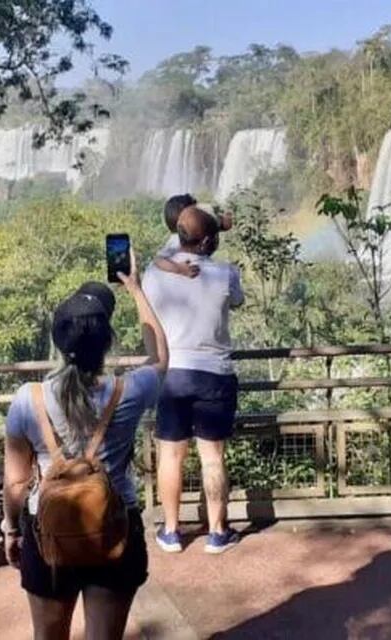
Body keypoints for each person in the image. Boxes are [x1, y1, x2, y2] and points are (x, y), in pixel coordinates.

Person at [1, 265, 169, 640]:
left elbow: (15, 482)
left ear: (57, 341)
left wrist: (12, 530)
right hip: (115, 527)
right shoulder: (131, 389)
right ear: (107, 342)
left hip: (47, 531)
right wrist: (136, 290)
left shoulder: (28, 399)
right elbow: (159, 356)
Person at [142, 204, 244, 555]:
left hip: (172, 375)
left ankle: (171, 532)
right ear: (210, 240)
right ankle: (217, 532)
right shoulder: (226, 274)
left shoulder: (154, 274)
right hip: (215, 373)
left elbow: (162, 254)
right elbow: (238, 302)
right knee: (212, 457)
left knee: (170, 456)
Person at [154, 193, 233, 279]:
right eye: (195, 210)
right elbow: (158, 260)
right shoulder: (175, 242)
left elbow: (213, 225)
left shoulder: (183, 236)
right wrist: (179, 269)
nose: (199, 212)